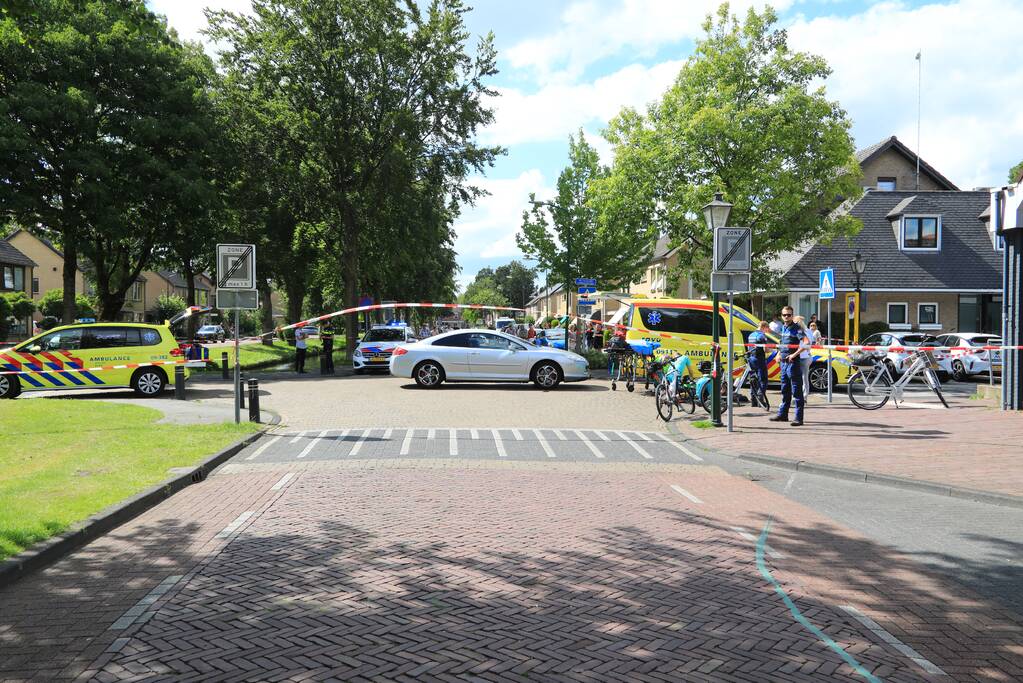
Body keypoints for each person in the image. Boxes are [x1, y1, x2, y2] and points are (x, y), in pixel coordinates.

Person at [770, 306, 808, 426]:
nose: (786, 317)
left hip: (793, 363)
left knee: (796, 391)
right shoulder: (783, 328)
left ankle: (798, 418)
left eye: (789, 315)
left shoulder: (797, 329)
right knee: (785, 390)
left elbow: (807, 343)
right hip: (783, 364)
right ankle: (783, 414)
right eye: (784, 315)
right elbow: (782, 344)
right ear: (781, 316)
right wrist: (778, 354)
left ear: (792, 315)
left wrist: (794, 355)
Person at [747, 321, 771, 407]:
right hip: (759, 359)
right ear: (764, 327)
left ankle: (753, 400)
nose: (767, 331)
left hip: (751, 359)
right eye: (767, 329)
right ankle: (760, 397)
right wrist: (773, 350)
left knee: (753, 379)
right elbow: (766, 349)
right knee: (763, 379)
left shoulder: (751, 335)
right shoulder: (761, 336)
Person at [794, 315, 813, 399]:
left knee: (801, 377)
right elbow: (811, 343)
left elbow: (806, 344)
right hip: (806, 355)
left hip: (801, 356)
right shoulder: (808, 331)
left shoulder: (800, 331)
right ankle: (804, 396)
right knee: (804, 377)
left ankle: (801, 396)